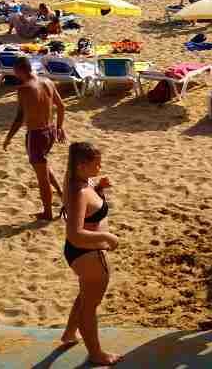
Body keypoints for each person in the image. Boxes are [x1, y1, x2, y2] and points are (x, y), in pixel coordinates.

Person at [60, 142, 122, 365]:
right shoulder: (79, 192)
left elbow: (86, 211)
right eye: (96, 165)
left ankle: (69, 333)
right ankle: (96, 354)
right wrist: (107, 238)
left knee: (86, 294)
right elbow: (75, 233)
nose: (100, 168)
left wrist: (100, 189)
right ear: (81, 165)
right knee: (90, 307)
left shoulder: (80, 181)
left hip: (80, 253)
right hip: (87, 253)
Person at [3, 57, 66, 220]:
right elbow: (61, 106)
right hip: (50, 131)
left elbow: (19, 117)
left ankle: (47, 212)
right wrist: (59, 127)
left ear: (19, 70)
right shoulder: (48, 82)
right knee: (43, 165)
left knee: (41, 178)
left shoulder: (24, 88)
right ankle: (62, 194)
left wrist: (8, 137)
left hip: (36, 135)